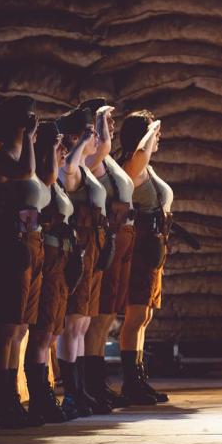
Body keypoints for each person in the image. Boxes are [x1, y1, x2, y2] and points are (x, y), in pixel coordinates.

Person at [0, 95, 47, 428]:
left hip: (29, 240)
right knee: (7, 325)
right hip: (11, 242)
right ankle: (2, 400)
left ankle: (12, 397)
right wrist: (30, 139)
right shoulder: (2, 158)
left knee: (21, 325)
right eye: (28, 118)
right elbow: (26, 172)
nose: (32, 122)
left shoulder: (25, 155)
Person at [56, 107, 108, 417]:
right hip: (80, 248)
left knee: (83, 322)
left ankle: (81, 389)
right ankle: (72, 393)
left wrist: (96, 128)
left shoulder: (87, 168)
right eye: (90, 134)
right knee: (73, 322)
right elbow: (68, 167)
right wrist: (79, 142)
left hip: (94, 248)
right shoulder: (71, 169)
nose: (96, 139)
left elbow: (103, 148)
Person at [83, 100, 135, 409]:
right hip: (105, 239)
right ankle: (91, 382)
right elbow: (103, 145)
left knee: (106, 317)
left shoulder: (108, 161)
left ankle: (97, 381)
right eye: (105, 122)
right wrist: (100, 116)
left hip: (117, 239)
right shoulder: (91, 159)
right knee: (98, 316)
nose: (111, 128)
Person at [119, 110, 172, 405]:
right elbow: (142, 152)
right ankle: (131, 382)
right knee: (136, 314)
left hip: (153, 246)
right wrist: (152, 128)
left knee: (145, 315)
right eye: (154, 134)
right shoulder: (133, 164)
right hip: (139, 247)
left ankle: (138, 377)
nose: (159, 138)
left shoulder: (146, 168)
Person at [25, 121, 73, 424]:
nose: (64, 150)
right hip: (50, 255)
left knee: (53, 329)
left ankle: (45, 393)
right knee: (43, 330)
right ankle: (39, 397)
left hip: (63, 256)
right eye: (58, 145)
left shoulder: (55, 183)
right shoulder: (43, 180)